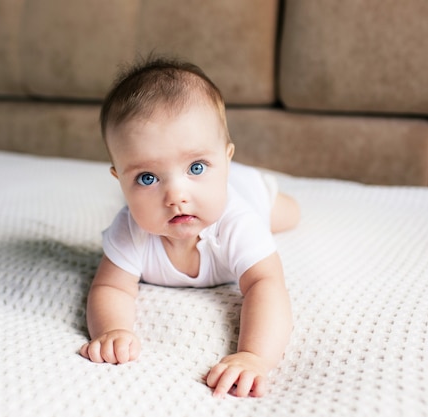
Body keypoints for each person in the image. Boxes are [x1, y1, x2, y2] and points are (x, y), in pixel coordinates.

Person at [78, 57, 300, 398]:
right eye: (147, 178)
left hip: (251, 193)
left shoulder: (239, 223)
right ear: (120, 181)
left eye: (196, 167)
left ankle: (254, 183)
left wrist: (254, 356)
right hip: (218, 186)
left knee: (287, 215)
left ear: (225, 158)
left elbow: (265, 284)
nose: (176, 196)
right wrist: (113, 330)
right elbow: (111, 289)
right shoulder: (131, 229)